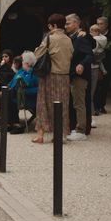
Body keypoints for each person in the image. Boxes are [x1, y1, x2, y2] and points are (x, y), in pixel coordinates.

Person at [32, 14, 73, 143]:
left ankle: (40, 135)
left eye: (50, 26)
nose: (49, 28)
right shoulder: (68, 39)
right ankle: (60, 135)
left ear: (54, 25)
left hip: (50, 76)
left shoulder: (49, 38)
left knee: (43, 104)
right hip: (64, 77)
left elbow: (37, 55)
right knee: (62, 106)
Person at [65, 14, 94, 141]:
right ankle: (75, 127)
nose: (66, 25)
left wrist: (81, 64)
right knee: (74, 103)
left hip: (79, 76)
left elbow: (89, 55)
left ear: (77, 24)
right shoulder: (73, 37)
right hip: (72, 75)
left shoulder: (81, 37)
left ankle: (81, 130)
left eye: (68, 23)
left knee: (79, 103)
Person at [95, 16, 111, 114]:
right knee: (96, 85)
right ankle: (96, 106)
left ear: (106, 25)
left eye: (101, 24)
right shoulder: (94, 34)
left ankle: (102, 105)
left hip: (107, 63)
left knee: (104, 85)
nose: (99, 26)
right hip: (96, 63)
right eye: (97, 24)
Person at [89, 24, 107, 125]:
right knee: (91, 93)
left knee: (90, 94)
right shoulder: (103, 39)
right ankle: (90, 117)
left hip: (92, 66)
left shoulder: (93, 40)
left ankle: (90, 118)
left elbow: (93, 51)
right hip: (96, 65)